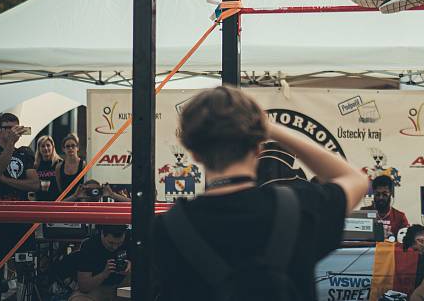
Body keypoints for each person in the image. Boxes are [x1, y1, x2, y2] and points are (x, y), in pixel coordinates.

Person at [151, 86, 368, 301]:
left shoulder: (168, 229)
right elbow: (355, 179)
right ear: (258, 149)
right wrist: (273, 129)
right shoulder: (299, 209)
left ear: (195, 154)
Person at [0, 113, 40, 301]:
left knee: (27, 269)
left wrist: (4, 180)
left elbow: (34, 185)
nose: (14, 131)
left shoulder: (24, 152)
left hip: (21, 219)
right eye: (9, 128)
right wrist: (9, 146)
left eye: (17, 127)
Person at [69, 224, 131, 301]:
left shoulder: (132, 239)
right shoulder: (90, 246)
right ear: (102, 234)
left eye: (119, 243)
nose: (115, 247)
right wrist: (104, 274)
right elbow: (84, 287)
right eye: (111, 243)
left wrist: (130, 266)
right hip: (97, 288)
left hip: (124, 287)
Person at [361, 174, 409, 240]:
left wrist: (393, 237)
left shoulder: (400, 217)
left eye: (384, 194)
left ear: (391, 194)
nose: (381, 197)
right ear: (373, 194)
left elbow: (406, 240)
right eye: (377, 194)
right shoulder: (363, 213)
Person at [35, 134, 62, 201]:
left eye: (48, 145)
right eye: (43, 146)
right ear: (39, 149)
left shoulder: (60, 163)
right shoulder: (35, 165)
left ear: (53, 147)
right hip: (39, 201)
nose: (46, 148)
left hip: (56, 201)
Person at [65, 179, 131, 203]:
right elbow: (55, 209)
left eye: (96, 190)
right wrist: (74, 196)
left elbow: (133, 205)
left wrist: (112, 195)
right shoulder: (76, 203)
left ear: (100, 190)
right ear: (84, 191)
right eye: (90, 190)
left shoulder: (104, 204)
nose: (93, 192)